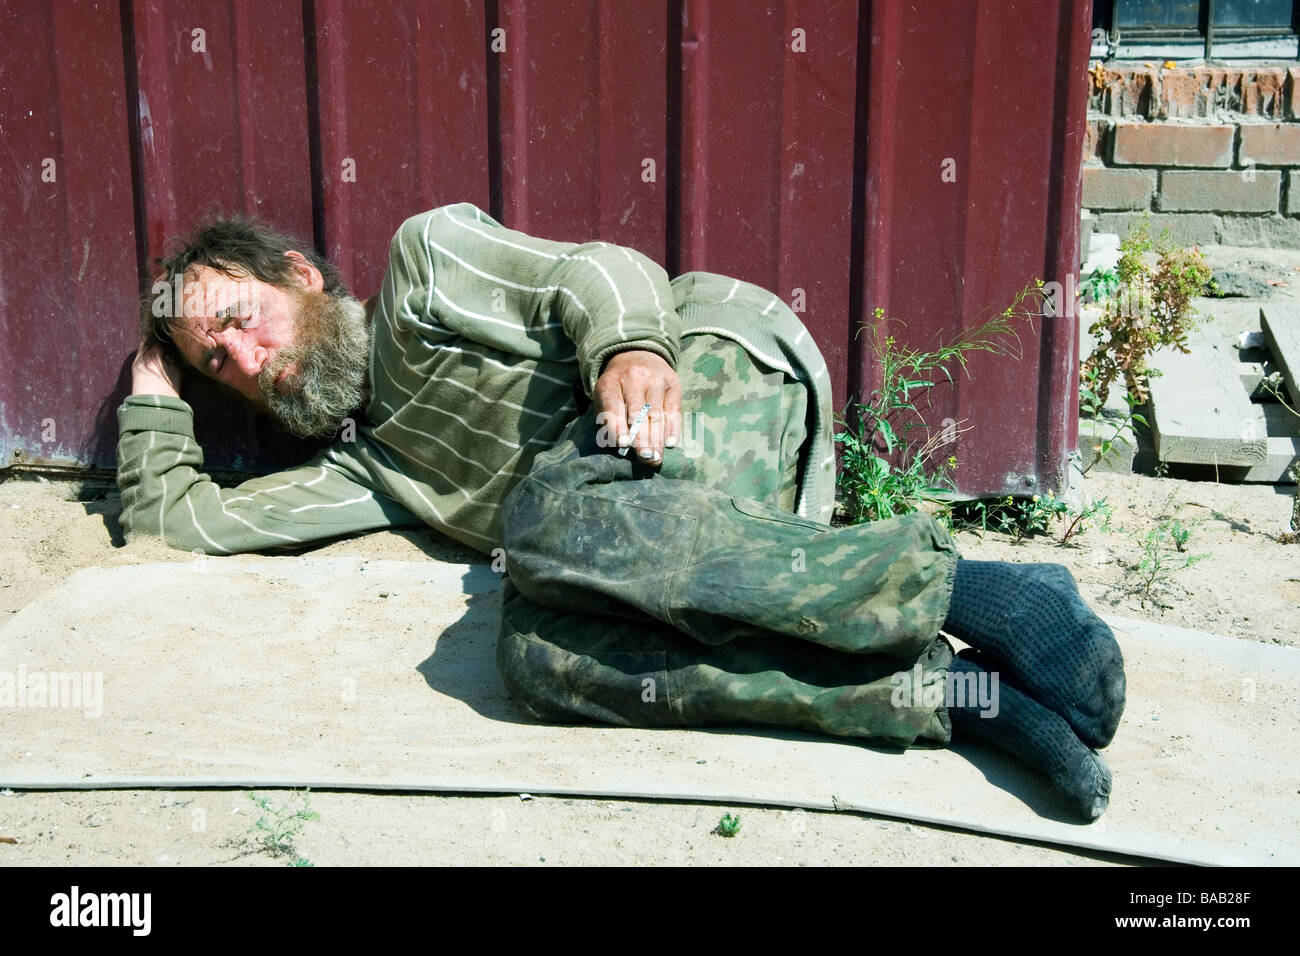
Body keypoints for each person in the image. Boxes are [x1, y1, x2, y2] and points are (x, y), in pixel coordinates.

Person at [120, 202, 1125, 820]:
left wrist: (629, 349)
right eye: (218, 363)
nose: (245, 360)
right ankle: (958, 697)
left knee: (544, 521)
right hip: (668, 534)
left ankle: (986, 593)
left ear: (299, 278)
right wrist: (153, 382)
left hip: (708, 368)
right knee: (532, 656)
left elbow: (594, 268)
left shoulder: (424, 268)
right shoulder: (371, 472)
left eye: (238, 321)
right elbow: (179, 520)